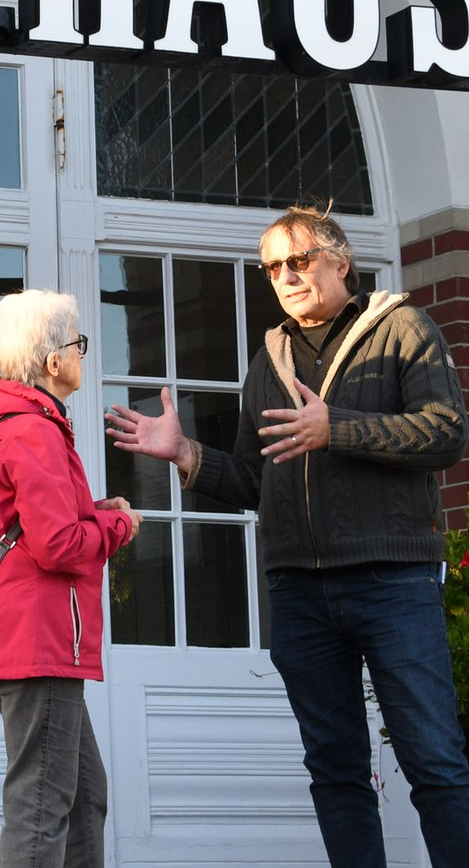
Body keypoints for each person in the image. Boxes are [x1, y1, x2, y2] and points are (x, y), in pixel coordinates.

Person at [104, 202, 469, 868]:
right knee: (335, 771)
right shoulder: (268, 356)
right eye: (273, 266)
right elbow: (254, 479)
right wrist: (188, 455)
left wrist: (342, 428)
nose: (286, 275)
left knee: (435, 759)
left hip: (392, 580)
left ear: (341, 261)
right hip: (300, 591)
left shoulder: (403, 329)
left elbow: (446, 432)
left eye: (299, 260)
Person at [0, 289, 142, 868]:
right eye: (77, 342)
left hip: (17, 639)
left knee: (85, 795)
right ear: (52, 361)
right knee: (41, 806)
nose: (83, 353)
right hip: (39, 642)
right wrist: (119, 527)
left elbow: (30, 523)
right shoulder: (34, 432)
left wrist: (96, 513)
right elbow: (57, 544)